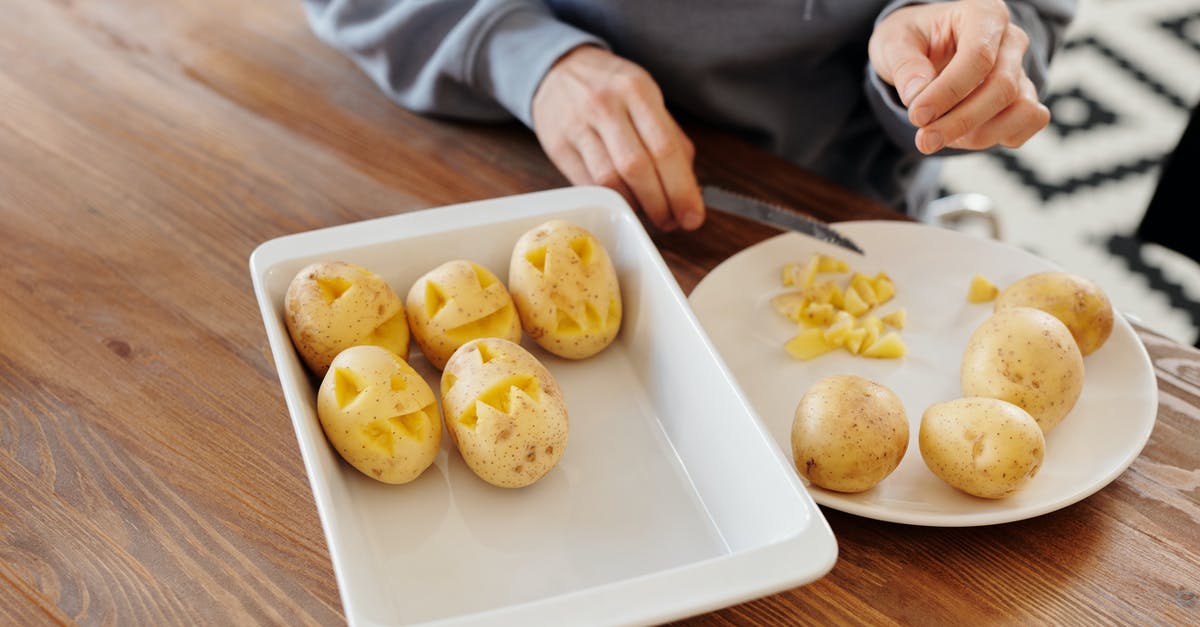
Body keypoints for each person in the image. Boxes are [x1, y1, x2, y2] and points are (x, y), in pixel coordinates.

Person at [301, 1, 1074, 232]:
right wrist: (525, 56)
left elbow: (1023, 16)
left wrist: (949, 67)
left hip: (810, 215)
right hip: (483, 151)